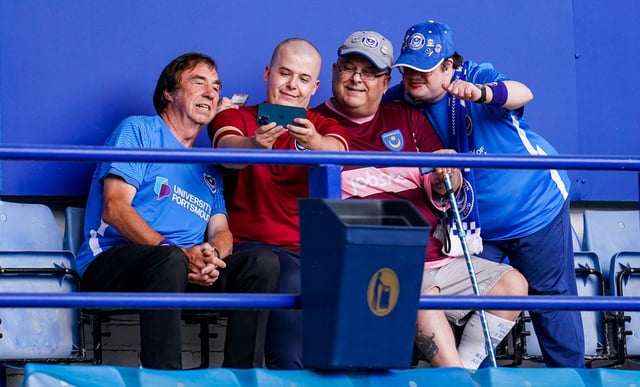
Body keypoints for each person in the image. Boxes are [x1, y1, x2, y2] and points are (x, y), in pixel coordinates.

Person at [313, 30, 528, 369]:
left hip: (435, 257)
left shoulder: (407, 117)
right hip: (377, 265)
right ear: (334, 72)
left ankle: (467, 371)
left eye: (369, 72)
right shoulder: (316, 126)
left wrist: (448, 175)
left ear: (386, 83)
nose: (357, 79)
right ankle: (454, 378)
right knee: (421, 299)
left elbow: (443, 184)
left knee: (512, 284)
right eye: (348, 68)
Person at [385, 20, 584, 368]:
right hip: (474, 225)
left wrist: (482, 94)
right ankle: (469, 378)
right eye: (408, 68)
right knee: (469, 306)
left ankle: (573, 379)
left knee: (551, 302)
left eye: (425, 68)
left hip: (534, 206)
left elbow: (523, 92)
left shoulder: (475, 75)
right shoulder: (397, 100)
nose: (414, 76)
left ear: (449, 65)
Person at [75, 52, 280, 370]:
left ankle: (241, 377)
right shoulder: (139, 131)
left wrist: (212, 257)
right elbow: (115, 208)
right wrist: (181, 254)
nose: (211, 92)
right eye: (199, 82)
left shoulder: (209, 164)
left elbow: (221, 230)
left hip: (185, 269)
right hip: (114, 262)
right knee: (168, 259)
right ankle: (165, 377)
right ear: (168, 93)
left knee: (261, 262)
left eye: (216, 86)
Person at [208, 38, 350, 369]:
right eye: (285, 73)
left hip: (308, 253)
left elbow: (338, 153)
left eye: (303, 78)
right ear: (267, 73)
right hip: (249, 251)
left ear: (315, 86)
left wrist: (313, 142)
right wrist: (254, 145)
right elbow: (226, 151)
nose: (292, 85)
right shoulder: (239, 116)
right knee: (290, 280)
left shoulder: (324, 125)